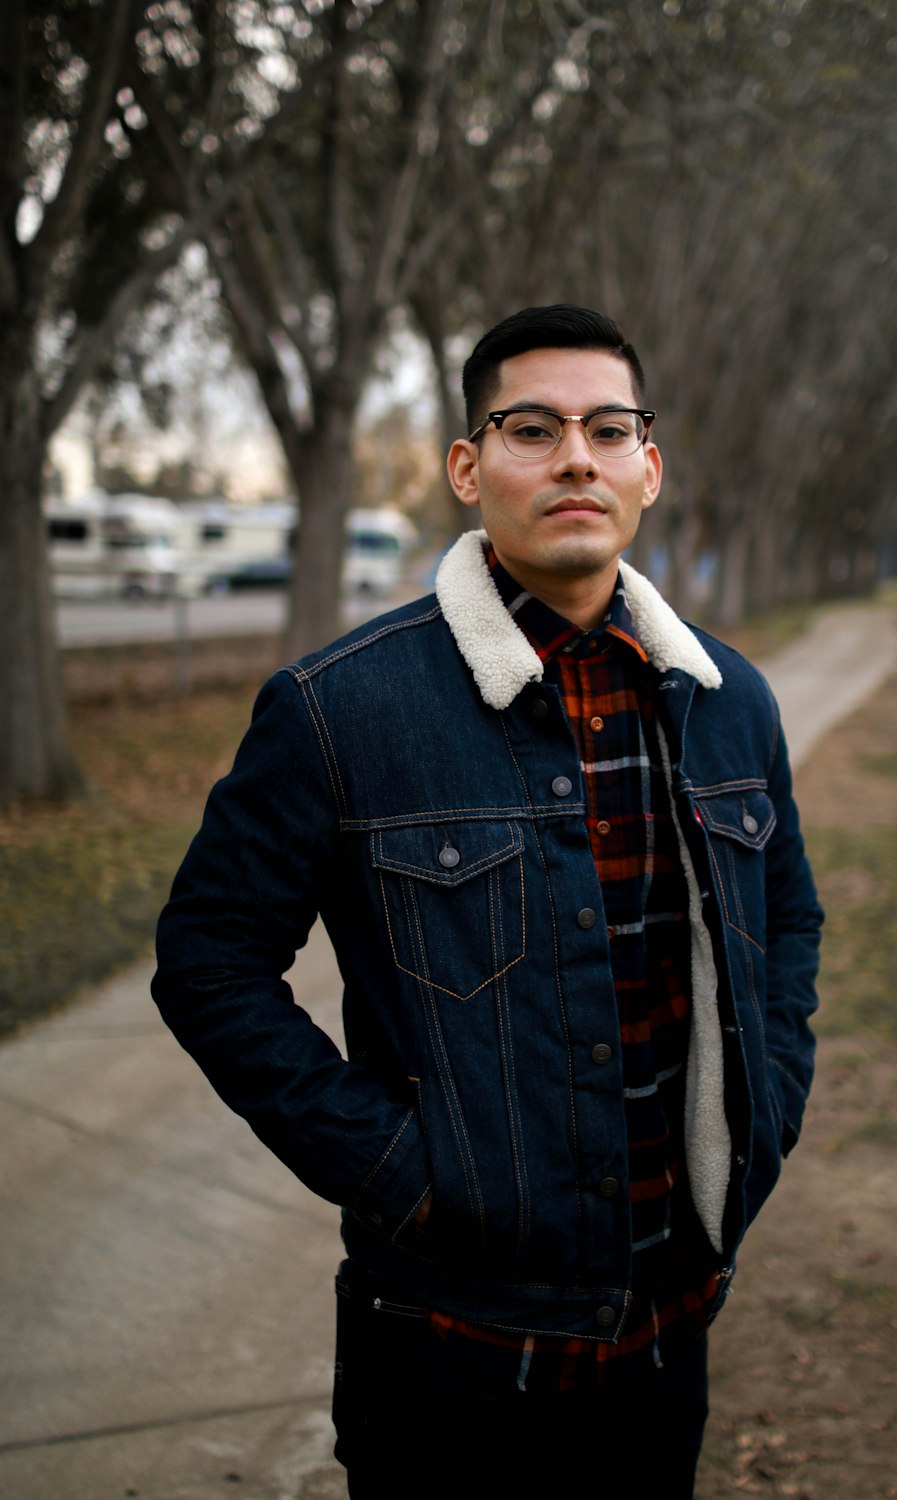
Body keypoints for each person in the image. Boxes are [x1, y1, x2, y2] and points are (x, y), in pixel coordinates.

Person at [153, 304, 822, 1499]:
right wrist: (399, 1170)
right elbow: (209, 962)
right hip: (450, 1353)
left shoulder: (730, 701)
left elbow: (787, 927)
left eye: (609, 429)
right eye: (532, 427)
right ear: (468, 468)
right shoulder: (337, 709)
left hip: (669, 1328)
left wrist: (762, 1120)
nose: (576, 456)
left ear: (648, 469)